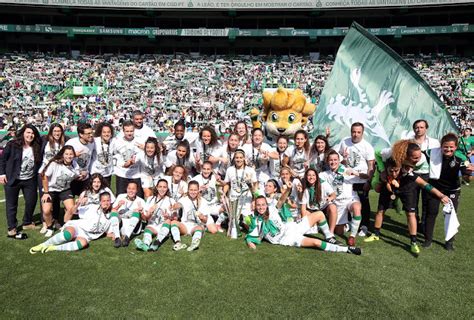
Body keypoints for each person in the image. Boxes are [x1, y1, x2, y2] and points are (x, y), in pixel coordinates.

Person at [245, 196, 361, 255]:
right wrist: (251, 244)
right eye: (258, 205)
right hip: (287, 239)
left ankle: (330, 237)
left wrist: (288, 189)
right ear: (255, 206)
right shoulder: (256, 222)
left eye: (263, 204)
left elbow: (281, 200)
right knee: (316, 242)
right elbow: (251, 237)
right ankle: (347, 250)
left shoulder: (272, 209)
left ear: (266, 204)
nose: (261, 207)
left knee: (320, 214)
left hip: (291, 227)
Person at [424, 133, 473, 250]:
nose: (448, 149)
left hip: (452, 190)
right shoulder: (431, 153)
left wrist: (470, 173)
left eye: (451, 147)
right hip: (435, 189)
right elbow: (418, 154)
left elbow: (467, 178)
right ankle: (427, 240)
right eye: (445, 146)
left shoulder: (461, 159)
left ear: (456, 147)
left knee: (451, 215)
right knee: (431, 213)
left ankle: (449, 242)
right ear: (441, 146)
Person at [29, 192, 112, 254]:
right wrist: (78, 203)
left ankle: (53, 248)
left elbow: (110, 231)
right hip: (77, 227)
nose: (106, 203)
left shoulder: (111, 216)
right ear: (100, 202)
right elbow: (73, 211)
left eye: (108, 200)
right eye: (104, 201)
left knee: (82, 244)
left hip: (86, 236)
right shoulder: (93, 207)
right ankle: (42, 245)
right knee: (68, 235)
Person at [0, 124, 42, 239]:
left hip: (29, 179)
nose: (30, 135)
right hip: (12, 178)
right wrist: (2, 174)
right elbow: (2, 159)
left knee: (31, 201)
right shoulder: (12, 144)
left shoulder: (37, 146)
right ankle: (12, 228)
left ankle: (27, 222)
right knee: (12, 204)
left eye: (32, 133)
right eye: (28, 132)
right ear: (23, 133)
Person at [338, 122, 374, 236]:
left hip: (361, 181)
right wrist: (342, 160)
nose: (356, 134)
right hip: (347, 181)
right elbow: (340, 159)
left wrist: (368, 181)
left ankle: (364, 226)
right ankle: (349, 222)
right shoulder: (344, 142)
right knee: (346, 201)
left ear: (362, 133)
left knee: (363, 203)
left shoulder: (367, 146)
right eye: (354, 132)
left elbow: (371, 166)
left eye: (358, 132)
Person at [319, 150, 362, 246]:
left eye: (335, 160)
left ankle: (352, 236)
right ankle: (348, 224)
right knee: (339, 232)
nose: (333, 162)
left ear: (339, 161)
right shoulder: (324, 174)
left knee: (356, 207)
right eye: (331, 160)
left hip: (350, 200)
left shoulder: (346, 171)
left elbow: (365, 177)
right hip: (337, 203)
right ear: (327, 161)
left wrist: (355, 173)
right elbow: (314, 178)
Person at [40, 145, 80, 237]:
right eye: (66, 154)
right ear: (62, 154)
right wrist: (46, 193)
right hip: (50, 190)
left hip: (65, 189)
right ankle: (50, 227)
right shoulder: (55, 163)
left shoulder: (74, 164)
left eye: (71, 154)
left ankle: (65, 226)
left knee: (71, 209)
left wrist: (81, 175)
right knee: (46, 211)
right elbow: (44, 176)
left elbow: (76, 175)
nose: (69, 156)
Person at [134, 179, 176, 252]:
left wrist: (168, 216)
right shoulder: (150, 199)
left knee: (168, 221)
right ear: (156, 187)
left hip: (164, 226)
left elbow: (176, 218)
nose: (162, 189)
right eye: (160, 187)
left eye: (164, 187)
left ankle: (157, 242)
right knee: (148, 229)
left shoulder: (171, 200)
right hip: (152, 225)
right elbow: (145, 218)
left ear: (167, 188)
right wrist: (147, 212)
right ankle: (146, 244)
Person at [170, 181, 209, 251]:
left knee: (200, 228)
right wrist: (175, 206)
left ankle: (194, 243)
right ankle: (178, 243)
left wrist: (201, 217)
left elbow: (205, 220)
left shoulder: (203, 201)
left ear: (198, 190)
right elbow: (178, 204)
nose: (193, 192)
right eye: (191, 190)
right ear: (188, 190)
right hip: (184, 225)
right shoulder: (184, 199)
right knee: (173, 223)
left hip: (195, 226)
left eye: (195, 190)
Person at [108, 181, 146, 248]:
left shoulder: (141, 201)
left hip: (133, 228)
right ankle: (117, 238)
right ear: (126, 189)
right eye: (129, 188)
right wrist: (118, 206)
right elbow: (112, 211)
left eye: (133, 189)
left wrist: (141, 212)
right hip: (121, 225)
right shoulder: (121, 196)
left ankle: (127, 237)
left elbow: (145, 219)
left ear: (137, 190)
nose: (131, 191)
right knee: (114, 211)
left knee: (136, 212)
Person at [112, 120, 142, 197]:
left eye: (131, 131)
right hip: (122, 174)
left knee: (138, 198)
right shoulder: (117, 142)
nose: (129, 133)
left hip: (136, 174)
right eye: (127, 131)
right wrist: (124, 164)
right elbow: (115, 156)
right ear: (123, 131)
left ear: (134, 130)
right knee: (120, 197)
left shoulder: (140, 141)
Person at [242, 128, 277, 192]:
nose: (257, 137)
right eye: (255, 135)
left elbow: (276, 156)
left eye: (259, 136)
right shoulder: (246, 146)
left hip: (263, 174)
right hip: (250, 173)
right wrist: (245, 160)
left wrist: (267, 153)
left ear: (263, 137)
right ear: (252, 137)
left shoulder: (266, 146)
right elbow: (240, 155)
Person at [65, 122, 95, 196]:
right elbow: (63, 159)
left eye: (91, 132)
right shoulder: (71, 143)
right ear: (81, 134)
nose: (91, 135)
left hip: (85, 177)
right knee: (69, 204)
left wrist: (86, 172)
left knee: (85, 202)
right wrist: (73, 155)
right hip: (71, 179)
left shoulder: (92, 143)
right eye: (88, 133)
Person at [192, 161, 222, 233]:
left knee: (227, 206)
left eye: (208, 169)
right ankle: (204, 223)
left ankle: (218, 223)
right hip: (203, 208)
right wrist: (199, 190)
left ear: (211, 170)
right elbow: (190, 193)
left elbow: (222, 184)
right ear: (201, 169)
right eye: (204, 169)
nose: (206, 171)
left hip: (214, 206)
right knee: (213, 231)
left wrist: (222, 194)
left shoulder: (214, 177)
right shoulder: (196, 179)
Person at [90, 122, 115, 186]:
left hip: (107, 174)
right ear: (100, 133)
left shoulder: (114, 141)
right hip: (95, 173)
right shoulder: (94, 141)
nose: (106, 134)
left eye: (108, 132)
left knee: (106, 195)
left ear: (111, 133)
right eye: (104, 132)